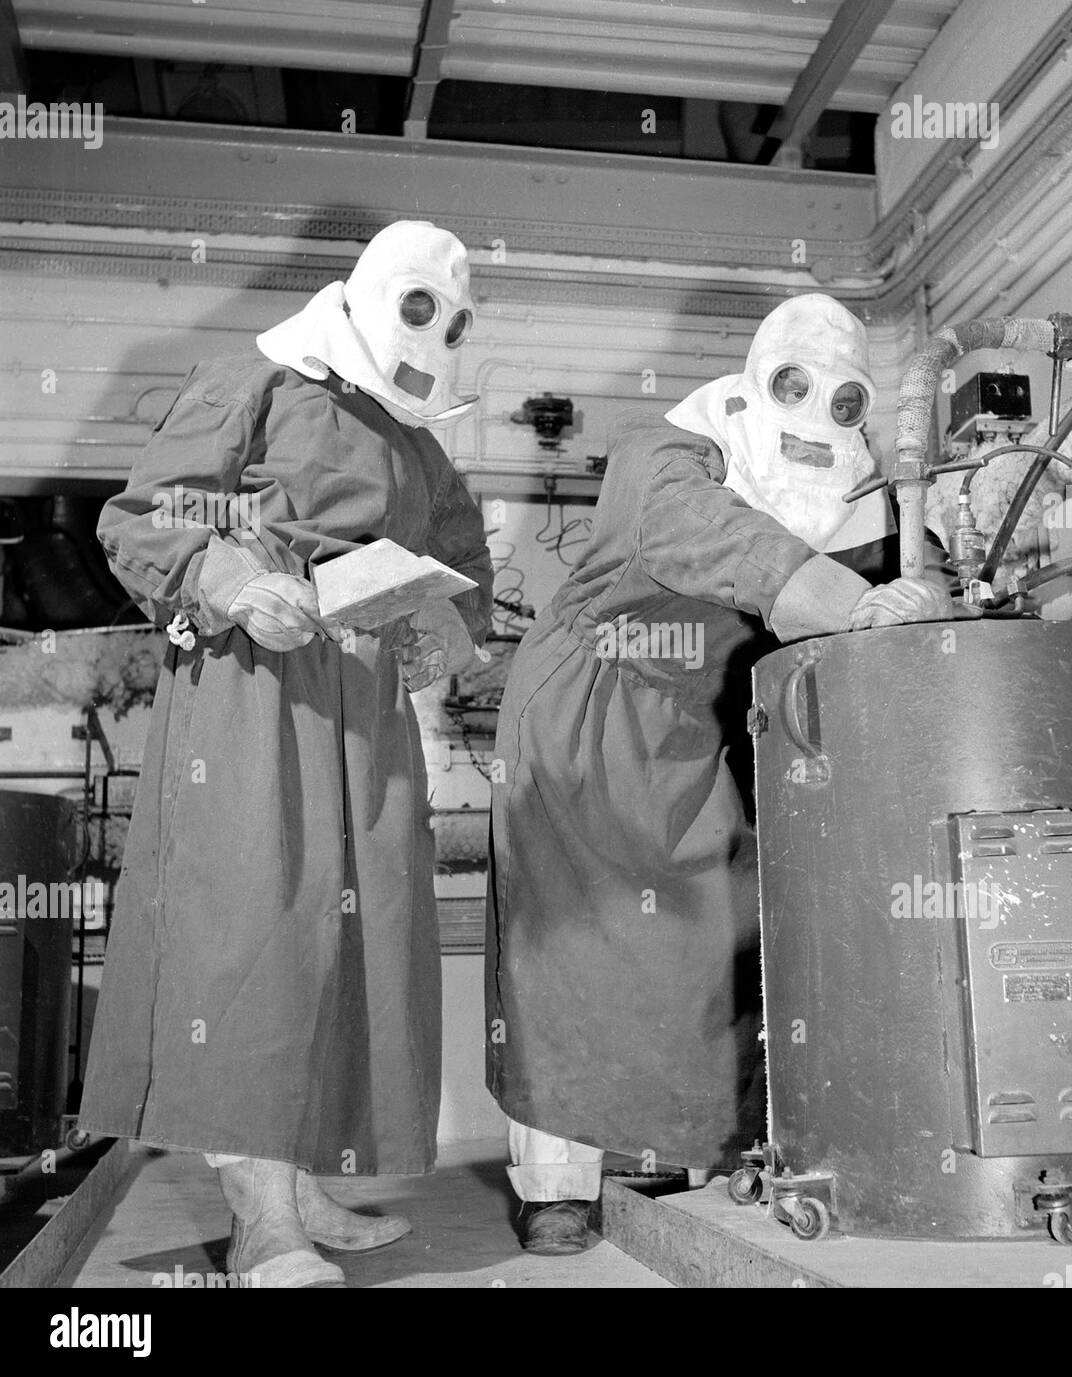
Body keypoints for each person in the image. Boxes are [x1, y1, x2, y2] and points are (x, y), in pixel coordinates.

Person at [486, 293, 957, 1254]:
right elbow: (699, 532)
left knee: (715, 933)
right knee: (568, 950)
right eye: (795, 384)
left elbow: (923, 569)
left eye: (843, 398)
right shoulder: (668, 453)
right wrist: (837, 595)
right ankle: (555, 1188)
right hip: (586, 706)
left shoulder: (856, 488)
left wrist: (924, 588)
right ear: (756, 380)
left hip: (693, 730)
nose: (817, 414)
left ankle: (674, 1154)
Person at [78, 221, 493, 1288]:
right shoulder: (248, 381)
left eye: (451, 318)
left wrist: (426, 632)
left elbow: (463, 572)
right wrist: (232, 579)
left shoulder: (422, 447)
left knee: (363, 944)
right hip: (250, 690)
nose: (431, 331)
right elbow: (139, 520)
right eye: (414, 306)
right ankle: (263, 1218)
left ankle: (309, 1191)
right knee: (253, 932)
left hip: (366, 706)